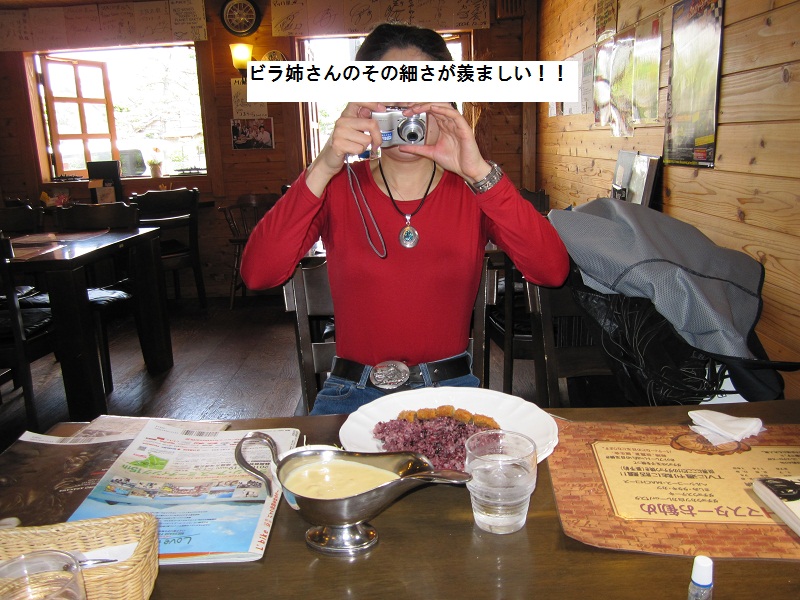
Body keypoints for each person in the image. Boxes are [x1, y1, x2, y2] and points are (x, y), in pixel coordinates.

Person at [241, 22, 569, 415]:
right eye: (390, 94)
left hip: (451, 392)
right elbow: (258, 273)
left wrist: (479, 171)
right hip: (351, 392)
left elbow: (552, 270)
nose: (405, 111)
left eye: (419, 93)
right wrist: (325, 163)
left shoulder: (474, 187)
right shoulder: (337, 185)